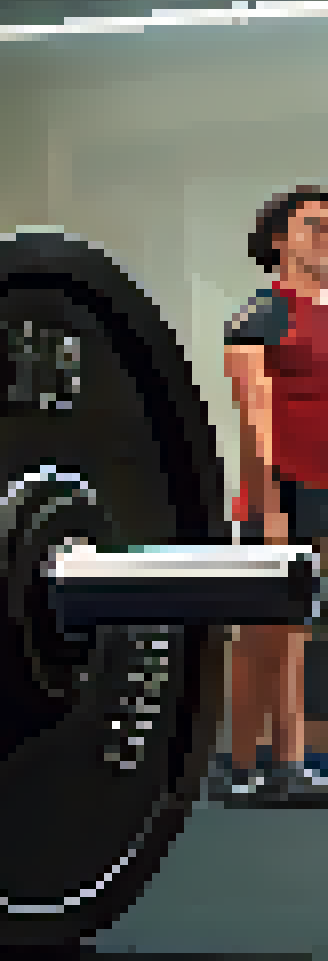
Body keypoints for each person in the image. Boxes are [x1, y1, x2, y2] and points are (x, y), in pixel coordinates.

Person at [218, 186, 328, 806]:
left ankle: (249, 768)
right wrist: (270, 507)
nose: (325, 239)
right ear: (280, 239)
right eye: (314, 226)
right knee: (274, 630)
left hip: (324, 490)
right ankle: (268, 767)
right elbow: (254, 415)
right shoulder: (262, 315)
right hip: (281, 490)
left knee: (293, 627)